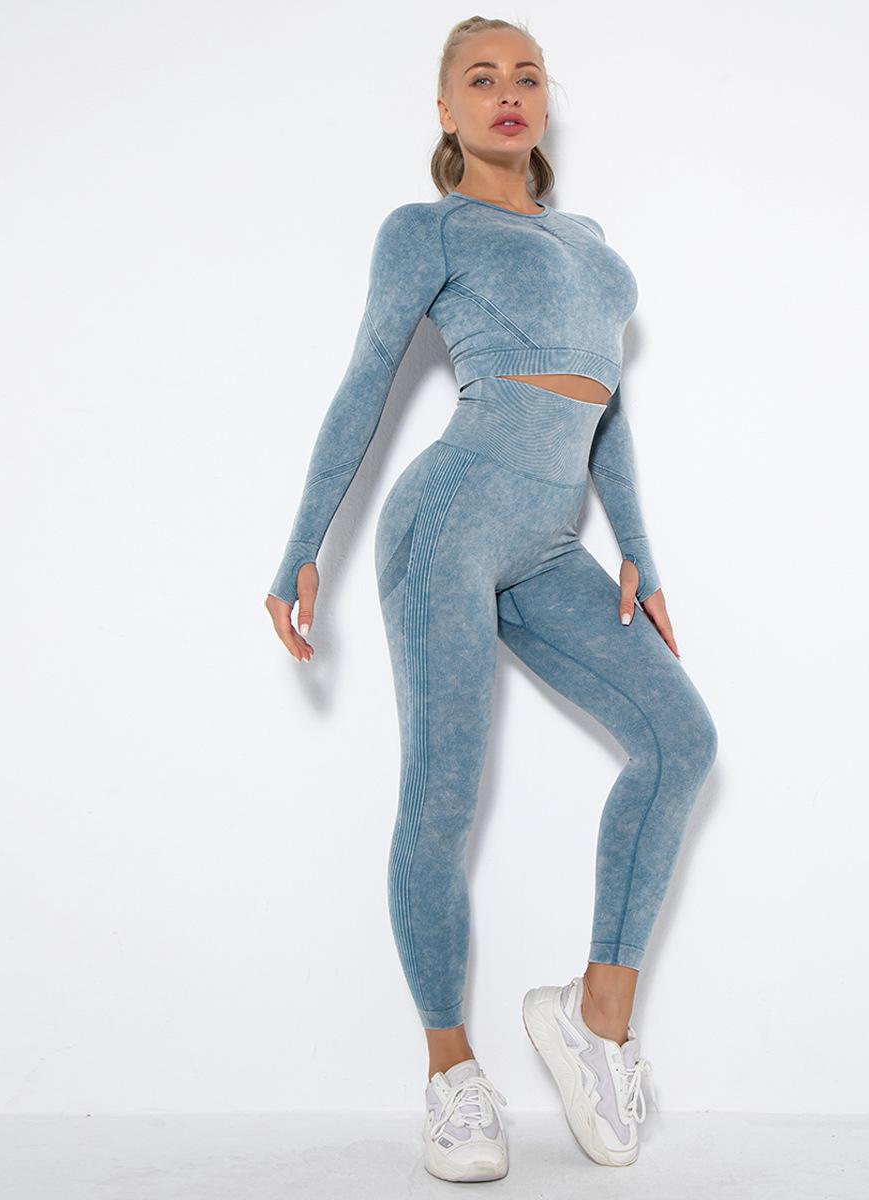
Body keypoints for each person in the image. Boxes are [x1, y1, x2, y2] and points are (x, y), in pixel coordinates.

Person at [264, 16, 718, 1182]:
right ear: (446, 110)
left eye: (526, 76)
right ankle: (451, 1076)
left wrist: (639, 551)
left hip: (551, 540)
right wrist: (305, 541)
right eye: (481, 78)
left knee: (680, 739)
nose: (507, 92)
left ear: (544, 103)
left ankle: (595, 1018)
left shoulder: (589, 241)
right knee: (444, 796)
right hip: (448, 524)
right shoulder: (426, 229)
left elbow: (605, 406)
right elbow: (366, 380)